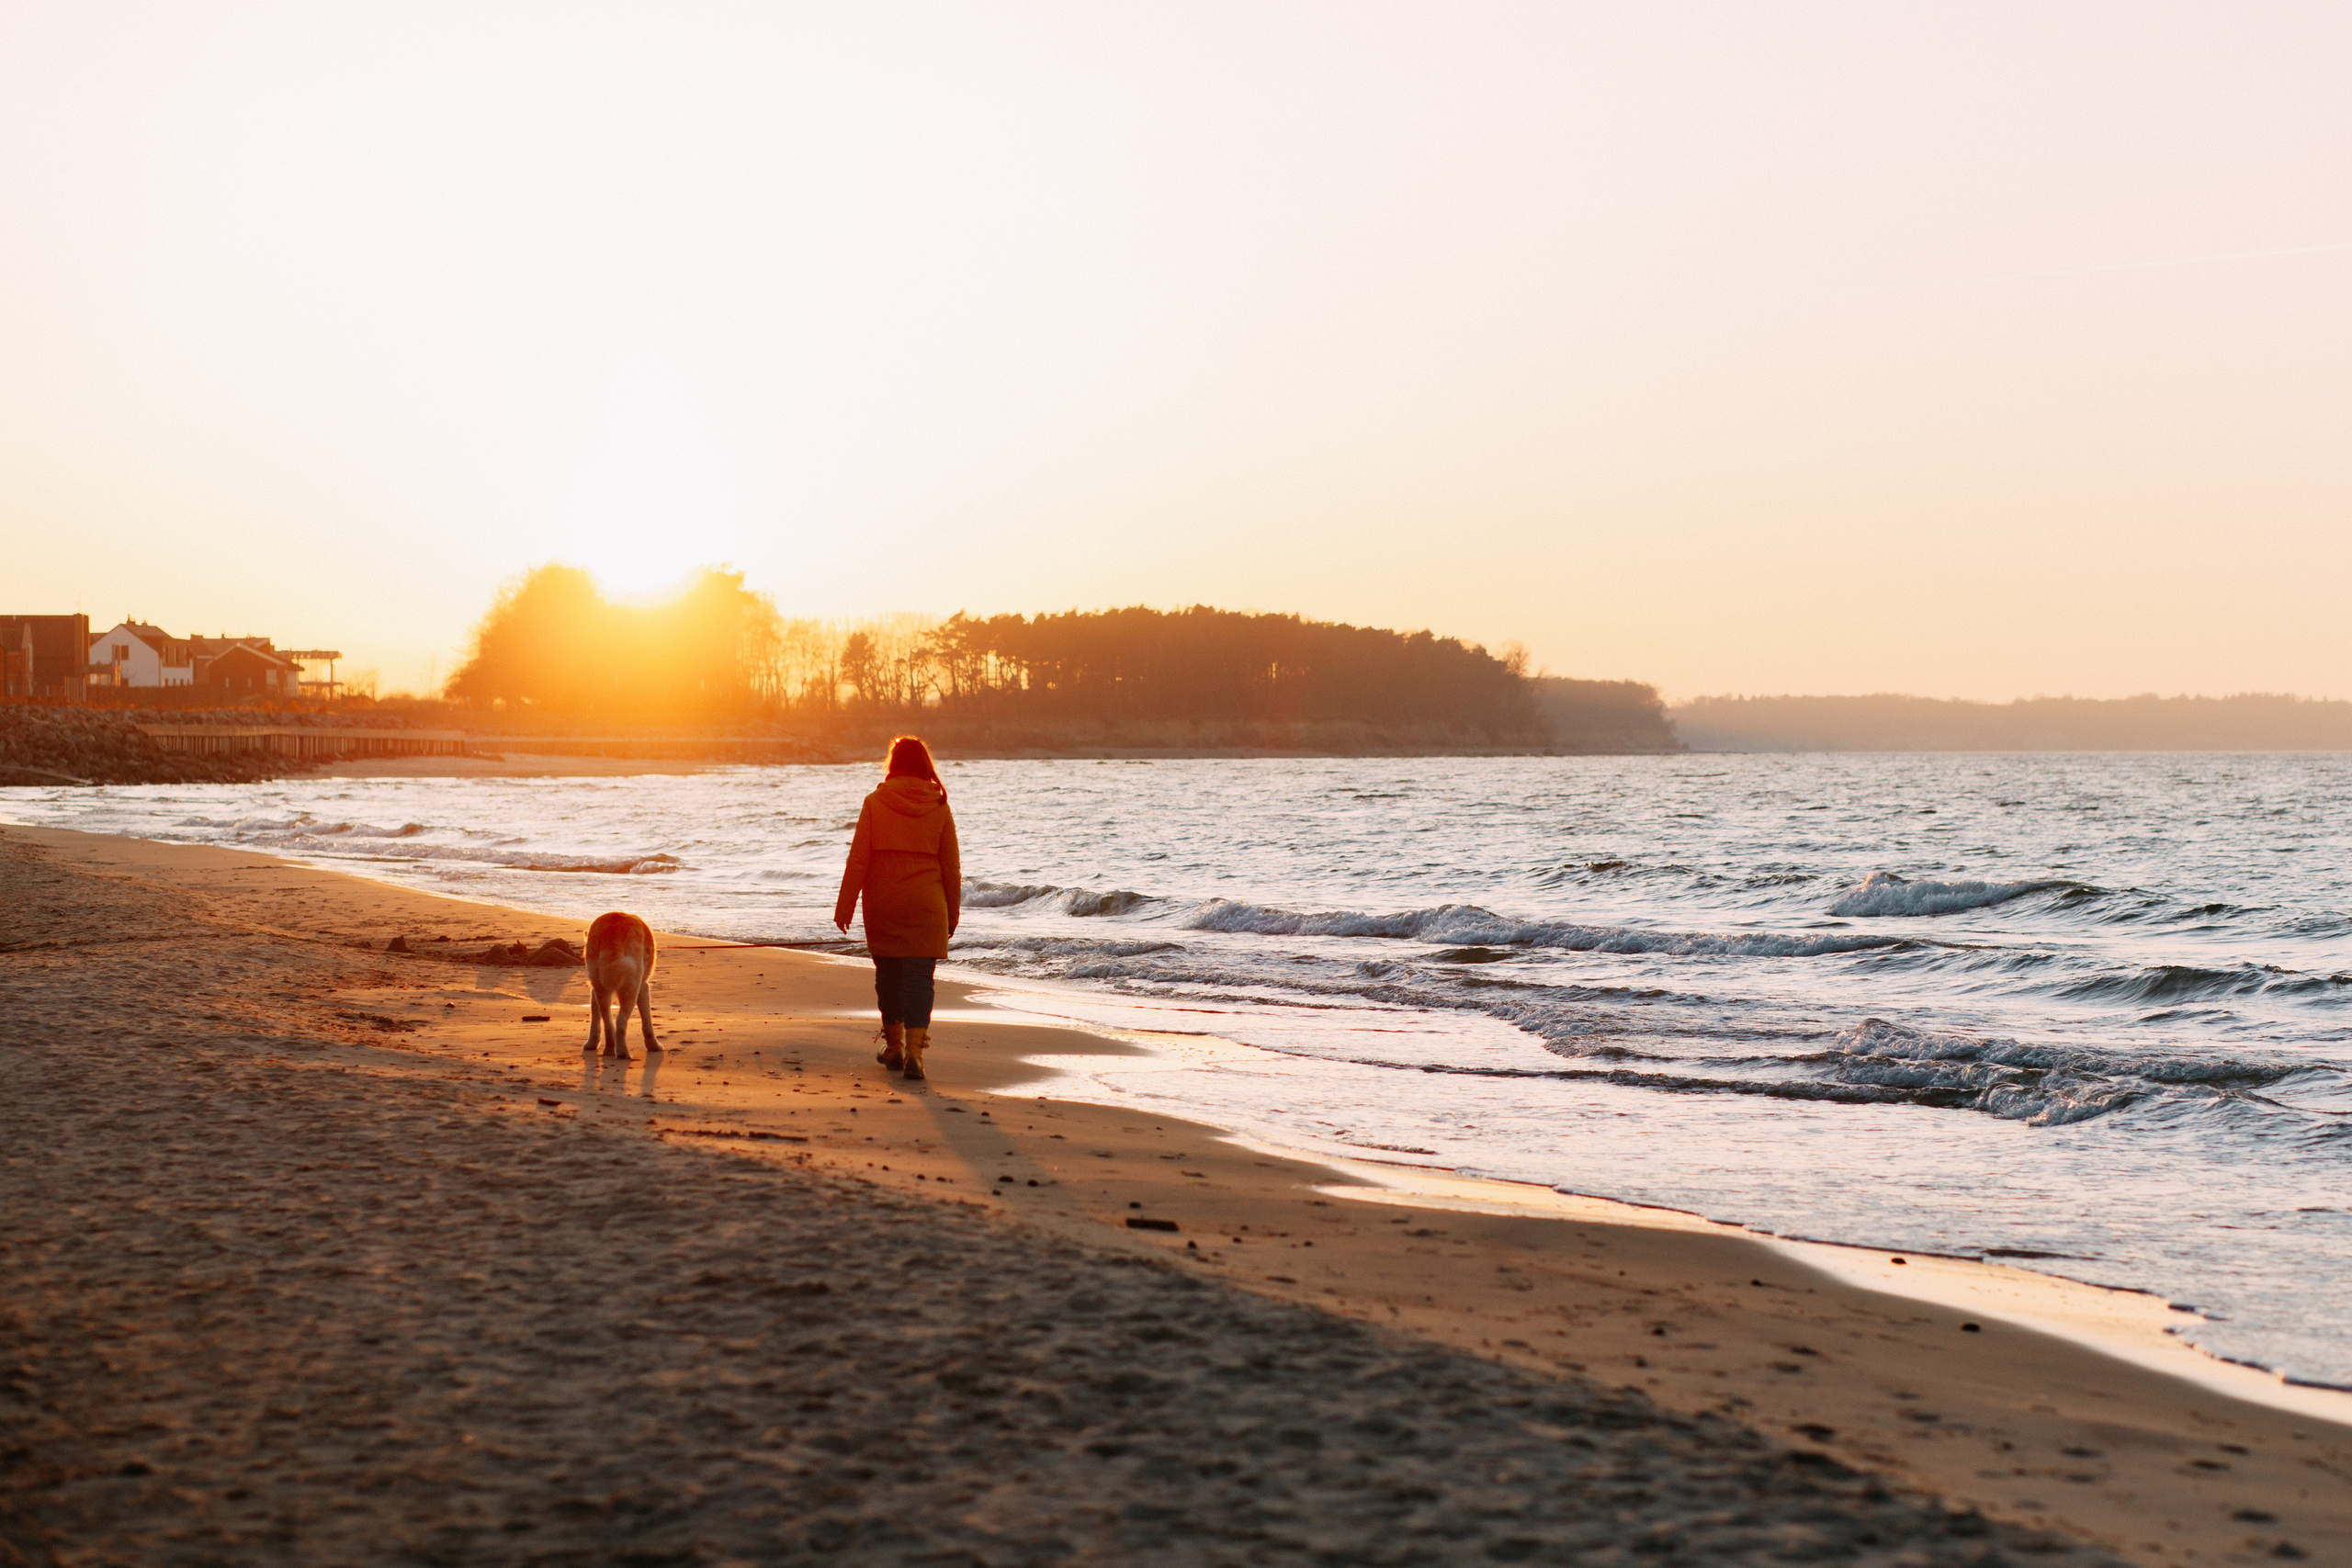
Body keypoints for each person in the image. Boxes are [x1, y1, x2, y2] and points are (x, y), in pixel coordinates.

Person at [833, 735, 961, 1081]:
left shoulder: (875, 801)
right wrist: (953, 912)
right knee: (920, 979)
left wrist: (844, 907)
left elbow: (858, 860)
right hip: (927, 904)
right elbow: (950, 867)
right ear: (924, 765)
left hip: (884, 902)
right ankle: (916, 1056)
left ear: (893, 764)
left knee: (888, 975)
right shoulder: (939, 805)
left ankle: (894, 1048)